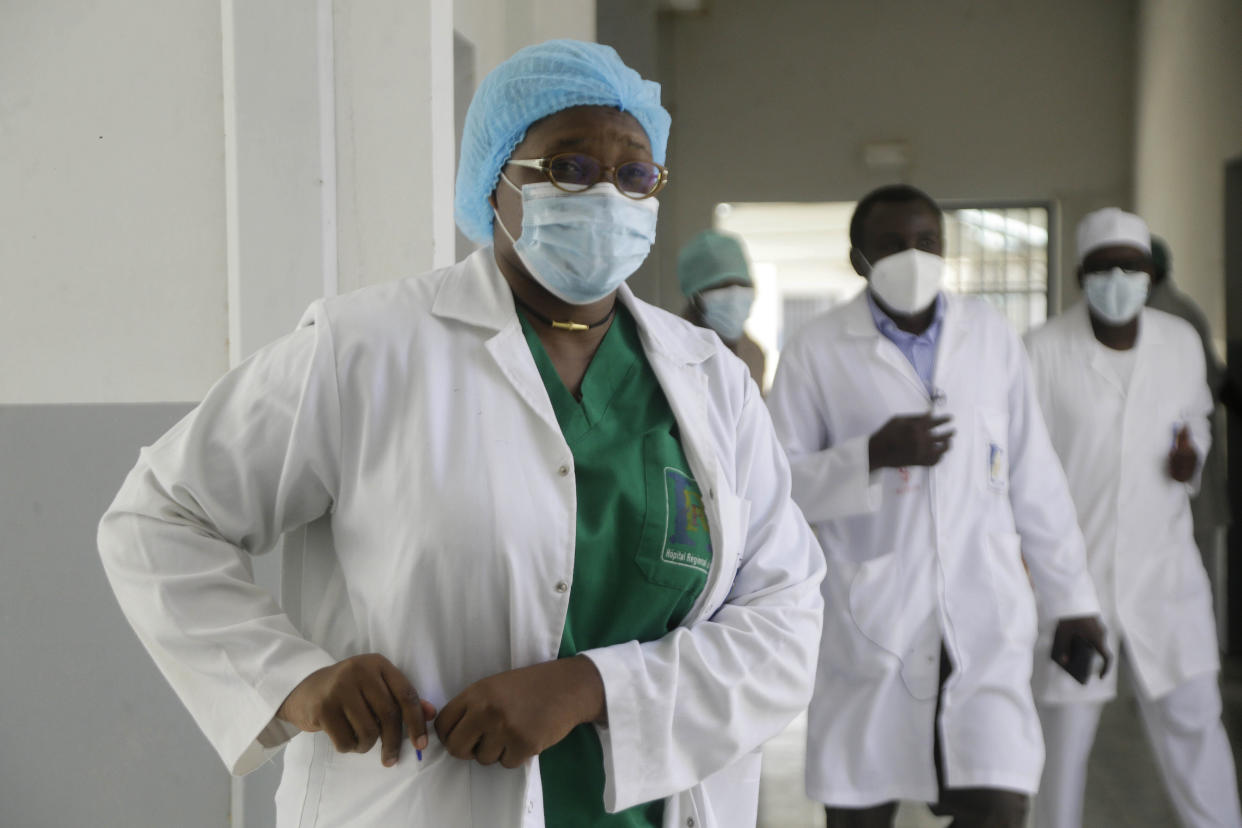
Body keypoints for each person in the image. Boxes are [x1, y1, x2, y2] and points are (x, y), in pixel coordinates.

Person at [97, 39, 825, 828]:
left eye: (634, 173)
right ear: (496, 182)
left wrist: (590, 688)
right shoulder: (367, 347)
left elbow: (784, 619)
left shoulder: (711, 379)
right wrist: (293, 680)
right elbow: (158, 517)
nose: (607, 195)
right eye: (569, 168)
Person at [766, 184, 1109, 828]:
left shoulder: (989, 336)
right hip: (874, 618)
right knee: (861, 807)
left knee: (997, 804)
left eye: (927, 242)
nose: (912, 256)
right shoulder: (815, 349)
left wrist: (1075, 603)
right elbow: (773, 489)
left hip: (983, 613)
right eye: (891, 245)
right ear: (857, 258)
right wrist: (869, 454)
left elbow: (1034, 476)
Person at [1025, 208, 1242, 828]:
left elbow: (1195, 420)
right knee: (1062, 743)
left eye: (1132, 267)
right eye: (1104, 268)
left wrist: (1190, 456)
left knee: (1195, 726)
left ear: (1151, 275)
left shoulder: (1179, 342)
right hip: (1074, 583)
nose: (1118, 278)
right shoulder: (1041, 351)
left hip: (1164, 575)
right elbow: (1020, 467)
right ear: (1078, 275)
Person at [1147, 236, 1232, 604]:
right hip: (1165, 476)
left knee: (1191, 585)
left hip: (1185, 467)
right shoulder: (1165, 309)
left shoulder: (1173, 316)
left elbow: (1204, 390)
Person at [677, 229, 766, 388]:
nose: (735, 295)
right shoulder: (669, 349)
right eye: (721, 286)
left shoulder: (754, 355)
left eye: (742, 284)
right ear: (695, 297)